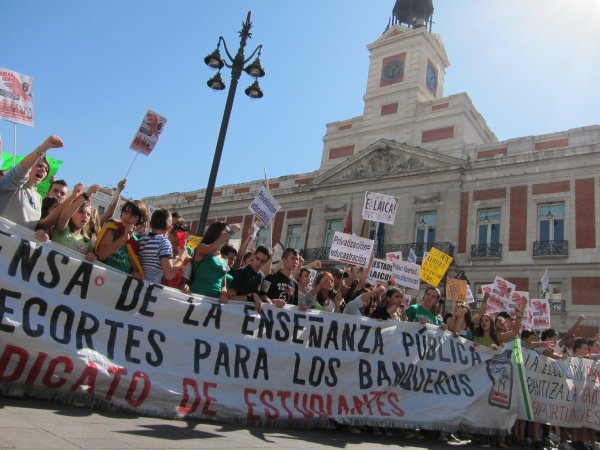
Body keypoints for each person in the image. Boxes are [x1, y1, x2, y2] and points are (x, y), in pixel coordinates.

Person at [0, 135, 64, 229]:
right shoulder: (13, 184)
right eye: (39, 166)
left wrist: (39, 233)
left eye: (46, 169)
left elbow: (33, 225)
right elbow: (22, 169)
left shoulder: (38, 198)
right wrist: (44, 147)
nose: (43, 170)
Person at [95, 199, 150, 277]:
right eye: (126, 212)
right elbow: (101, 255)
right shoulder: (112, 228)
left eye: (133, 215)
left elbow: (133, 266)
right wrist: (124, 238)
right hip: (101, 277)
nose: (127, 217)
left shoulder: (136, 241)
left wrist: (135, 273)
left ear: (139, 219)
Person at [138, 209, 190, 284]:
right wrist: (182, 257)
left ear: (150, 224)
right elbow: (169, 274)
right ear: (169, 228)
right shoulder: (164, 243)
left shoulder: (141, 240)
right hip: (149, 288)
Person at [184, 221, 232, 302]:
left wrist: (224, 293)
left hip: (214, 301)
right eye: (225, 232)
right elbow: (213, 248)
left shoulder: (224, 258)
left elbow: (223, 284)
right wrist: (232, 231)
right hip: (196, 295)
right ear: (215, 233)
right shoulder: (202, 247)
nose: (229, 236)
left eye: (229, 233)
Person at [52, 184, 100, 261]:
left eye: (88, 214)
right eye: (81, 212)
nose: (85, 217)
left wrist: (92, 256)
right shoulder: (62, 229)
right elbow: (64, 216)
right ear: (72, 213)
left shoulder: (88, 241)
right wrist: (87, 195)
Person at [228, 245, 272, 313]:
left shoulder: (262, 276)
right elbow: (229, 297)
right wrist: (250, 296)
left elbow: (258, 298)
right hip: (235, 313)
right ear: (254, 255)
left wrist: (265, 298)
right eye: (257, 258)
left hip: (251, 317)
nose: (258, 263)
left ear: (267, 262)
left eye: (262, 261)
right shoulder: (241, 272)